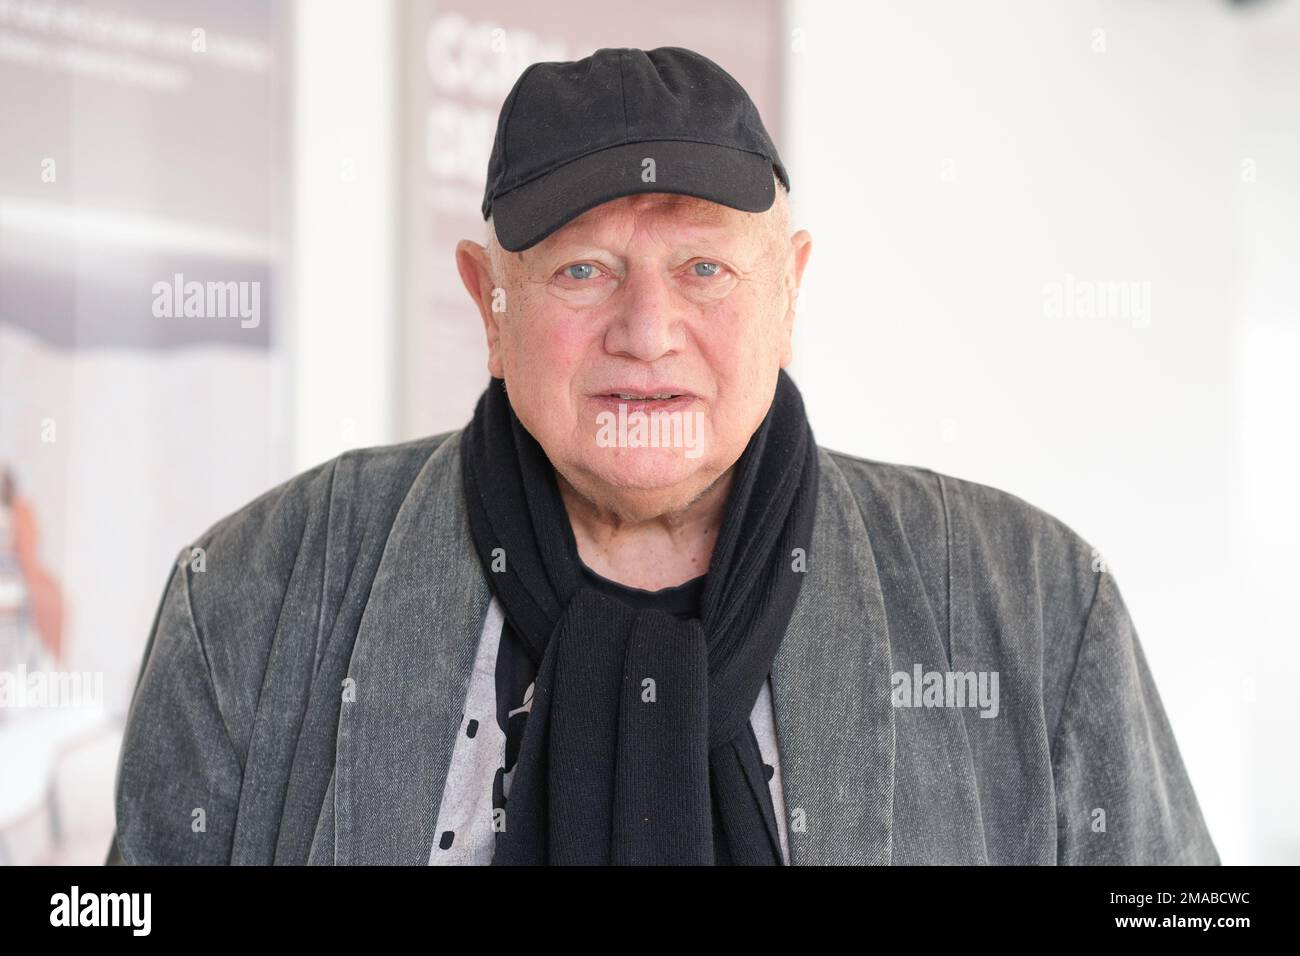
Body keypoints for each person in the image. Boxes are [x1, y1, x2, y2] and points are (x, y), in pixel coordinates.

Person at [108, 46, 1218, 865]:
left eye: (703, 268)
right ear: (487, 303)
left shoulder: (1034, 603)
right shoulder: (254, 592)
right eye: (584, 269)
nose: (646, 330)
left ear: (789, 291)